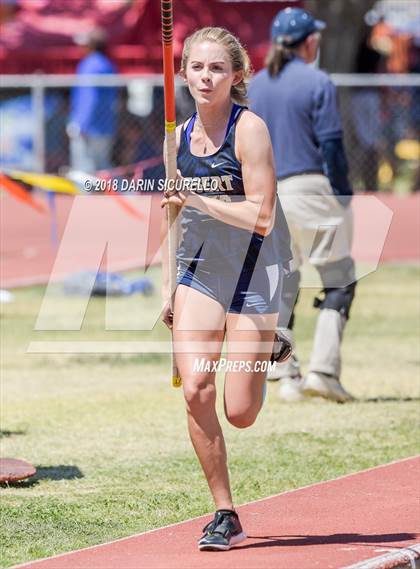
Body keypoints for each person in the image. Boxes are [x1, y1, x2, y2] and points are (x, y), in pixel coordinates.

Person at [160, 27, 292, 551]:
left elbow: (261, 215)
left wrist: (197, 198)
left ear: (236, 76)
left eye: (217, 68)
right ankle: (225, 512)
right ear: (185, 72)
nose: (206, 76)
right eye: (197, 67)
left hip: (255, 273)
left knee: (241, 412)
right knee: (195, 389)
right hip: (200, 274)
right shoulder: (177, 138)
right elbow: (174, 219)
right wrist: (169, 286)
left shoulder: (250, 129)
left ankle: (267, 347)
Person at [249, 8, 356, 403]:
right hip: (309, 188)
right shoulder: (318, 81)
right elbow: (331, 145)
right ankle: (323, 372)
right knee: (340, 279)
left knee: (284, 284)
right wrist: (343, 194)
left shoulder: (255, 86)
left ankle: (284, 373)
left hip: (267, 194)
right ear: (308, 41)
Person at [67, 28, 118, 174]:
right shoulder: (107, 64)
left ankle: (88, 196)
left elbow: (89, 98)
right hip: (105, 125)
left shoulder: (90, 65)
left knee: (84, 167)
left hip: (89, 127)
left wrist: (81, 124)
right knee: (102, 165)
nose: (80, 48)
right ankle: (124, 194)